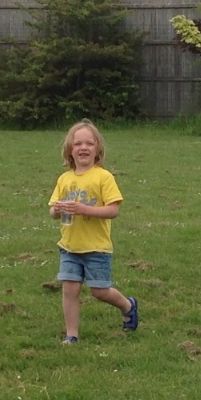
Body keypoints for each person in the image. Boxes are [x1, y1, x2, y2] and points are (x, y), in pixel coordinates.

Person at [48, 120, 138, 343]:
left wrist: (84, 209)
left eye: (89, 143)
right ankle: (72, 335)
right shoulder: (64, 179)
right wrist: (57, 210)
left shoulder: (103, 177)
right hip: (69, 247)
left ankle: (128, 305)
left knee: (100, 291)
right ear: (70, 149)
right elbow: (52, 211)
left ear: (97, 148)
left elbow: (113, 210)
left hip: (96, 248)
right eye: (78, 143)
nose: (83, 148)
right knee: (70, 290)